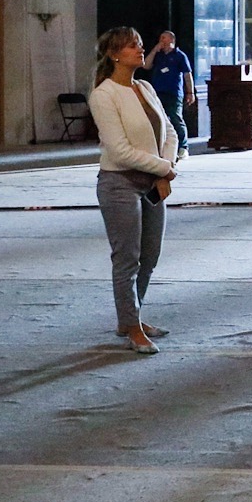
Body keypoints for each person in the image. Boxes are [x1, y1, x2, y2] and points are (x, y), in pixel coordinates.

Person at [88, 26, 178, 356]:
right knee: (127, 259)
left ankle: (132, 317)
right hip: (120, 183)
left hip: (153, 181)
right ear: (114, 55)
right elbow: (120, 150)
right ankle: (131, 326)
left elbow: (170, 131)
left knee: (150, 255)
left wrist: (165, 166)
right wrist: (163, 168)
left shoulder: (145, 87)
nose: (140, 50)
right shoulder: (104, 94)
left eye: (140, 44)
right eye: (131, 46)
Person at [143, 30, 193, 161]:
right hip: (158, 92)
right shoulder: (158, 55)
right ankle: (159, 147)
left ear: (171, 40)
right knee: (158, 118)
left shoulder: (180, 56)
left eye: (164, 38)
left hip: (174, 93)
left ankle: (183, 147)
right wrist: (155, 50)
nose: (161, 41)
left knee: (176, 118)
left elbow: (187, 75)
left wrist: (190, 92)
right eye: (160, 38)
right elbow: (146, 65)